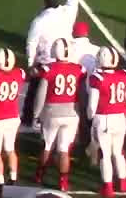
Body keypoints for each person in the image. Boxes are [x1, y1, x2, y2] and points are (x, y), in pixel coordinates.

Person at [23, 0, 80, 123]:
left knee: (36, 90)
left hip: (46, 62)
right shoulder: (67, 13)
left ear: (45, 3)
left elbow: (31, 43)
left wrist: (30, 63)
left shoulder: (39, 21)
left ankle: (30, 118)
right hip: (65, 60)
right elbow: (73, 1)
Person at [32, 38, 84, 190]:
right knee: (64, 149)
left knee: (48, 145)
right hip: (72, 113)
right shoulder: (79, 69)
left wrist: (36, 114)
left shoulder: (49, 69)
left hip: (52, 112)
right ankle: (63, 182)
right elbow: (81, 93)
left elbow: (41, 95)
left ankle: (40, 174)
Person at [87, 46, 126, 197]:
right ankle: (123, 182)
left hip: (104, 119)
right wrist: (120, 112)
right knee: (118, 152)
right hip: (120, 119)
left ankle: (108, 187)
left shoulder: (98, 78)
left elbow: (92, 105)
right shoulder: (124, 75)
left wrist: (91, 118)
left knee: (105, 154)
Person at [0, 48, 26, 188]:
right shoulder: (19, 73)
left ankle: (1, 181)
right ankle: (13, 177)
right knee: (10, 149)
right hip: (13, 117)